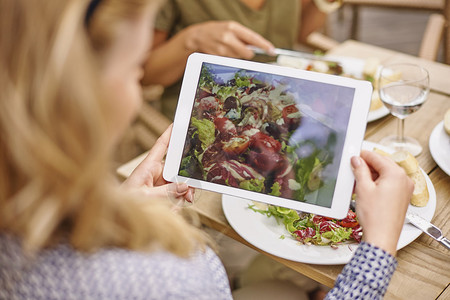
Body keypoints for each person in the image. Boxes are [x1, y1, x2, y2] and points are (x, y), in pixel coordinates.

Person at [0, 0, 413, 300]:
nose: (135, 90)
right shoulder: (170, 281)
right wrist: (376, 254)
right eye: (132, 71)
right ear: (79, 92)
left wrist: (119, 207)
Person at [142, 0, 342, 118]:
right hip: (203, 119)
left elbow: (298, 32)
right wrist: (191, 40)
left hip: (281, 109)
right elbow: (144, 73)